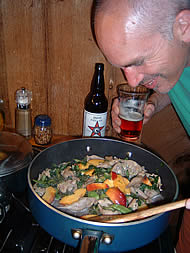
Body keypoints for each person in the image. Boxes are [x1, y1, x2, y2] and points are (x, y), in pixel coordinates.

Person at [93, 0, 190, 252]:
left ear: (185, 25)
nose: (132, 80)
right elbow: (181, 79)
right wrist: (153, 104)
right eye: (123, 66)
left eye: (138, 61)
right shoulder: (179, 55)